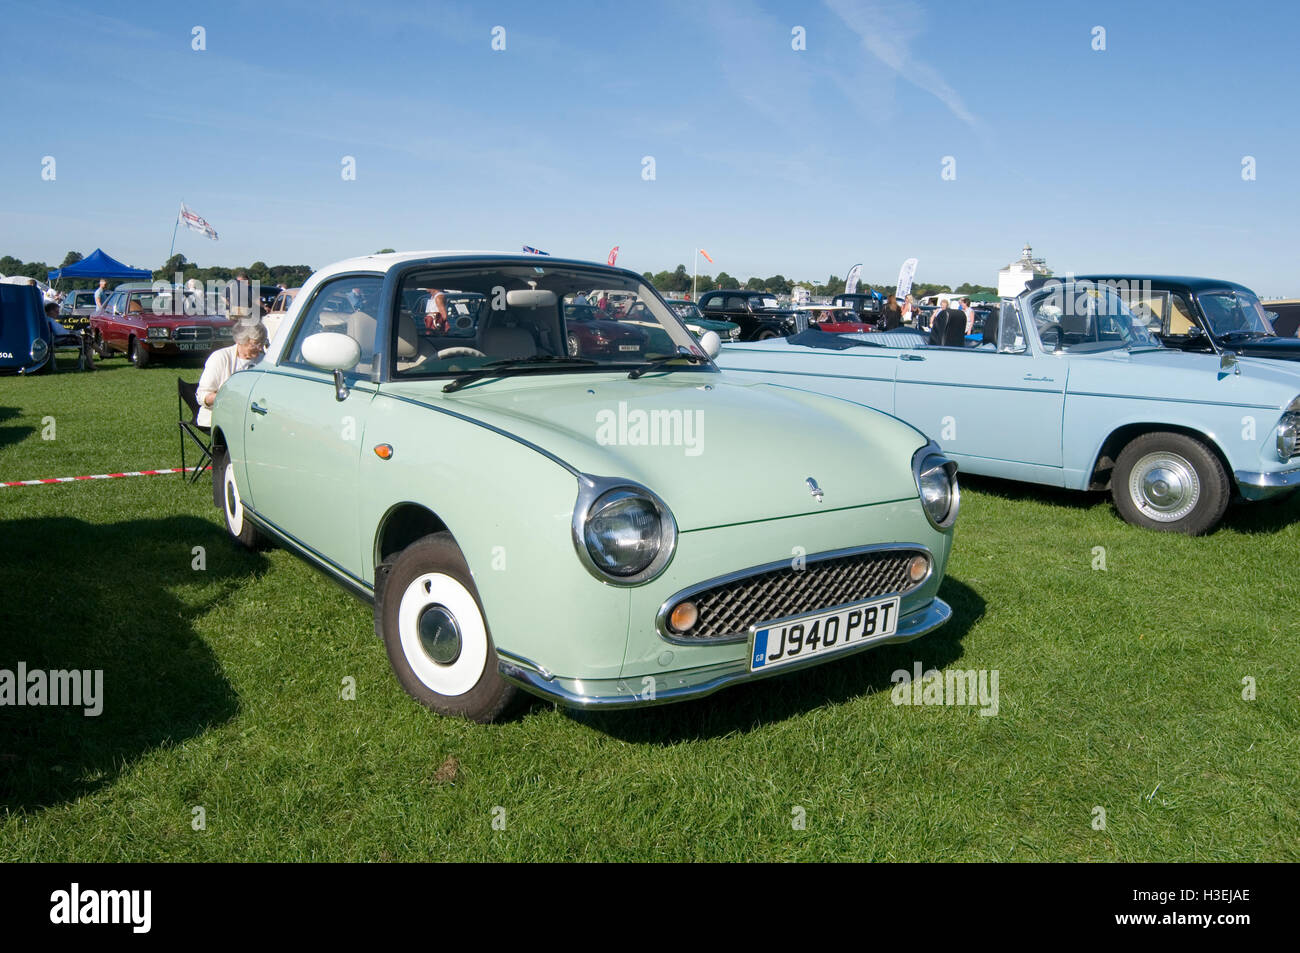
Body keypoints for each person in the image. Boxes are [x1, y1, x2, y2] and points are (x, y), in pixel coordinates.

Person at [196, 322, 268, 428]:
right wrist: (226, 396)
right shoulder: (220, 358)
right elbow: (202, 396)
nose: (261, 348)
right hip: (219, 419)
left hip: (253, 419)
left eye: (263, 343)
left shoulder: (264, 361)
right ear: (241, 340)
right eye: (256, 343)